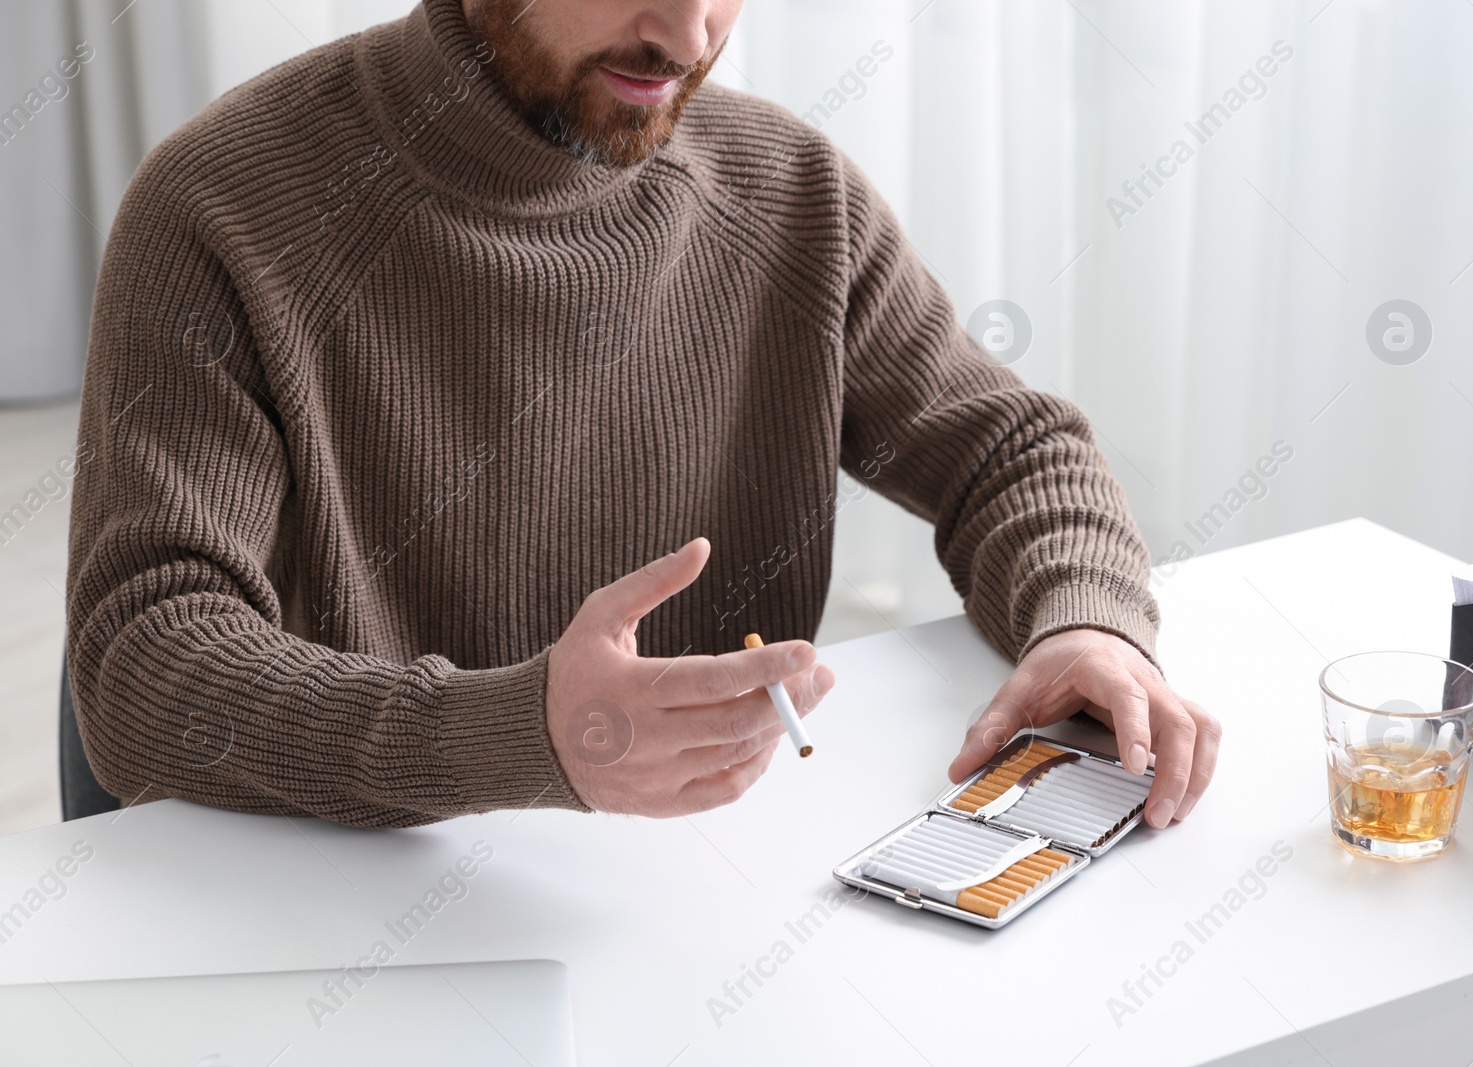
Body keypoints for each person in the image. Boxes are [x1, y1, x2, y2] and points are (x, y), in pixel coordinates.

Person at [66, 0, 1220, 829]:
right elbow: (141, 660)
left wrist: (1087, 623)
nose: (689, 32)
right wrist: (511, 735)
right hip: (353, 904)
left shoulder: (791, 195)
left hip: (704, 901)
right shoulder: (218, 208)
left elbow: (1009, 449)